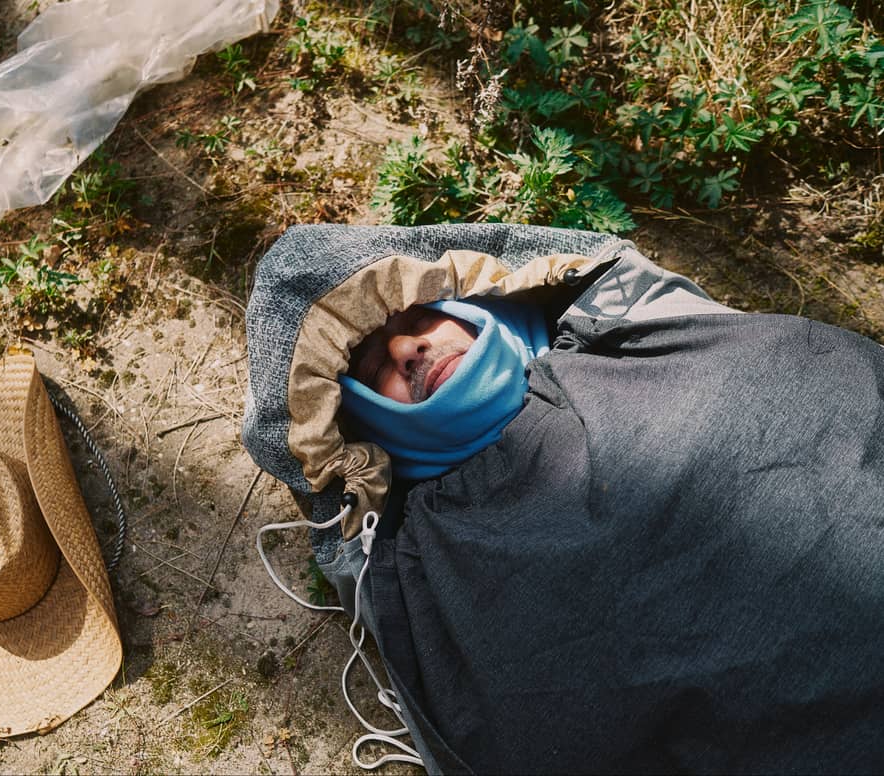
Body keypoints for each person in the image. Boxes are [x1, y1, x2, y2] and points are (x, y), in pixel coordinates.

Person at [242, 222, 884, 774]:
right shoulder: (414, 554)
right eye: (374, 367)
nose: (409, 348)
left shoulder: (648, 340)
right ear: (365, 425)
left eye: (415, 319)